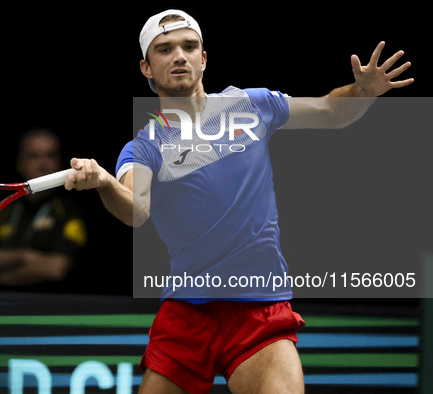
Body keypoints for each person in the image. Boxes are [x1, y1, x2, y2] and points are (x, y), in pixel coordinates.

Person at [62, 9, 413, 394]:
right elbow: (136, 210)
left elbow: (330, 111)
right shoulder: (146, 147)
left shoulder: (251, 106)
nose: (179, 55)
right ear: (146, 67)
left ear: (204, 58)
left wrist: (361, 90)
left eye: (189, 46)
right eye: (165, 49)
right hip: (188, 314)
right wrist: (104, 183)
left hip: (259, 309)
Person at [0, 128, 87, 294]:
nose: (43, 164)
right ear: (20, 163)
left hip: (50, 307)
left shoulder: (70, 212)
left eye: (50, 156)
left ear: (60, 164)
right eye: (34, 156)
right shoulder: (2, 210)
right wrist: (24, 257)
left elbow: (55, 269)